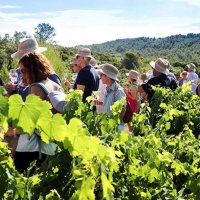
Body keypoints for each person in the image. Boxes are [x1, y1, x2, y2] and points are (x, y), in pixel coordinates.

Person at [14, 52, 62, 173]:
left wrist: (11, 132)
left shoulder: (36, 87)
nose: (22, 75)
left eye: (23, 71)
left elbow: (30, 124)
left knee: (24, 184)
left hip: (32, 148)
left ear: (33, 69)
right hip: (50, 146)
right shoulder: (55, 85)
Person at [97, 63, 126, 131]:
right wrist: (101, 103)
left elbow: (123, 108)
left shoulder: (118, 91)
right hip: (107, 125)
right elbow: (111, 104)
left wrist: (115, 124)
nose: (100, 77)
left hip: (114, 127)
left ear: (108, 77)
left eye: (101, 75)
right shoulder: (107, 88)